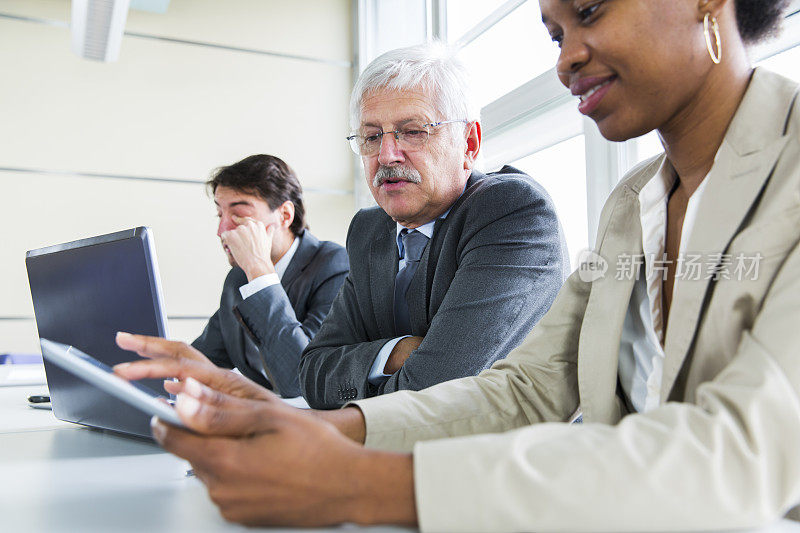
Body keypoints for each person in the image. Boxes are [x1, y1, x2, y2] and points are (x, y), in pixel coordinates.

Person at [114, 0, 800, 529]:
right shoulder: (633, 202)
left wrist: (354, 481)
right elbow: (524, 391)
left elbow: (742, 453)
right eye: (555, 34)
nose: (566, 60)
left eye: (589, 11)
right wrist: (317, 429)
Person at [299, 43, 568, 408]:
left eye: (413, 131)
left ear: (469, 144)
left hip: (507, 458)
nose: (387, 155)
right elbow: (312, 373)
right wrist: (398, 354)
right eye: (372, 135)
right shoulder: (368, 230)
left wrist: (375, 366)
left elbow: (438, 393)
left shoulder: (510, 211)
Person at [191, 154, 349, 398]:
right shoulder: (238, 279)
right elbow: (202, 361)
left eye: (238, 215)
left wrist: (259, 273)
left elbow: (301, 380)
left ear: (285, 215)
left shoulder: (334, 266)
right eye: (219, 215)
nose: (221, 230)